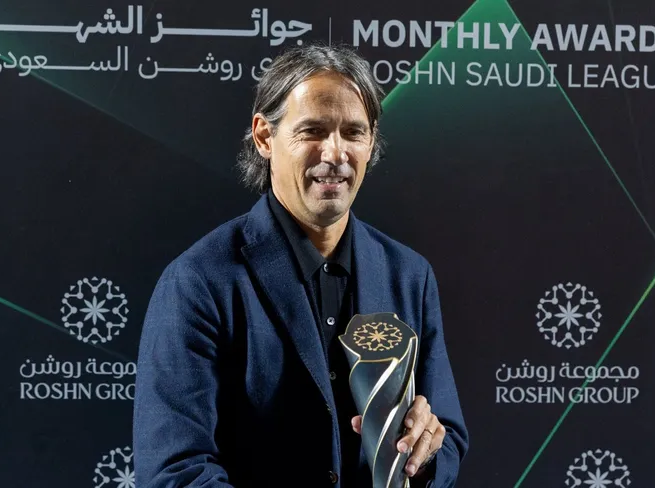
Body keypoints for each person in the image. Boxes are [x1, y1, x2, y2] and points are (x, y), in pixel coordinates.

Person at [132, 43, 469, 487]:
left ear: (371, 142)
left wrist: (423, 453)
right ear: (264, 137)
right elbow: (175, 471)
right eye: (313, 130)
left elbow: (447, 440)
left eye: (353, 132)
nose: (335, 153)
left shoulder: (409, 276)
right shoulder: (198, 282)